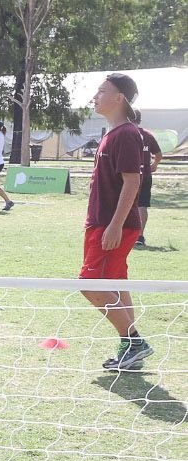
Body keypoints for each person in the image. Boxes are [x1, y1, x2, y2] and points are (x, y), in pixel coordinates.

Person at [79, 74, 154, 371]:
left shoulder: (124, 134)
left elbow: (132, 182)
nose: (94, 96)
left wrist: (114, 225)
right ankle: (130, 350)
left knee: (90, 285)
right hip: (105, 223)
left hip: (112, 225)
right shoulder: (114, 133)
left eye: (101, 91)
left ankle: (133, 341)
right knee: (115, 284)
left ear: (119, 97)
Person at [133, 110, 162, 247]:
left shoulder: (125, 134)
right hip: (145, 175)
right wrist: (154, 165)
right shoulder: (147, 135)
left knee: (123, 203)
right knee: (142, 205)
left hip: (129, 175)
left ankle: (124, 233)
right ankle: (139, 236)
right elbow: (158, 154)